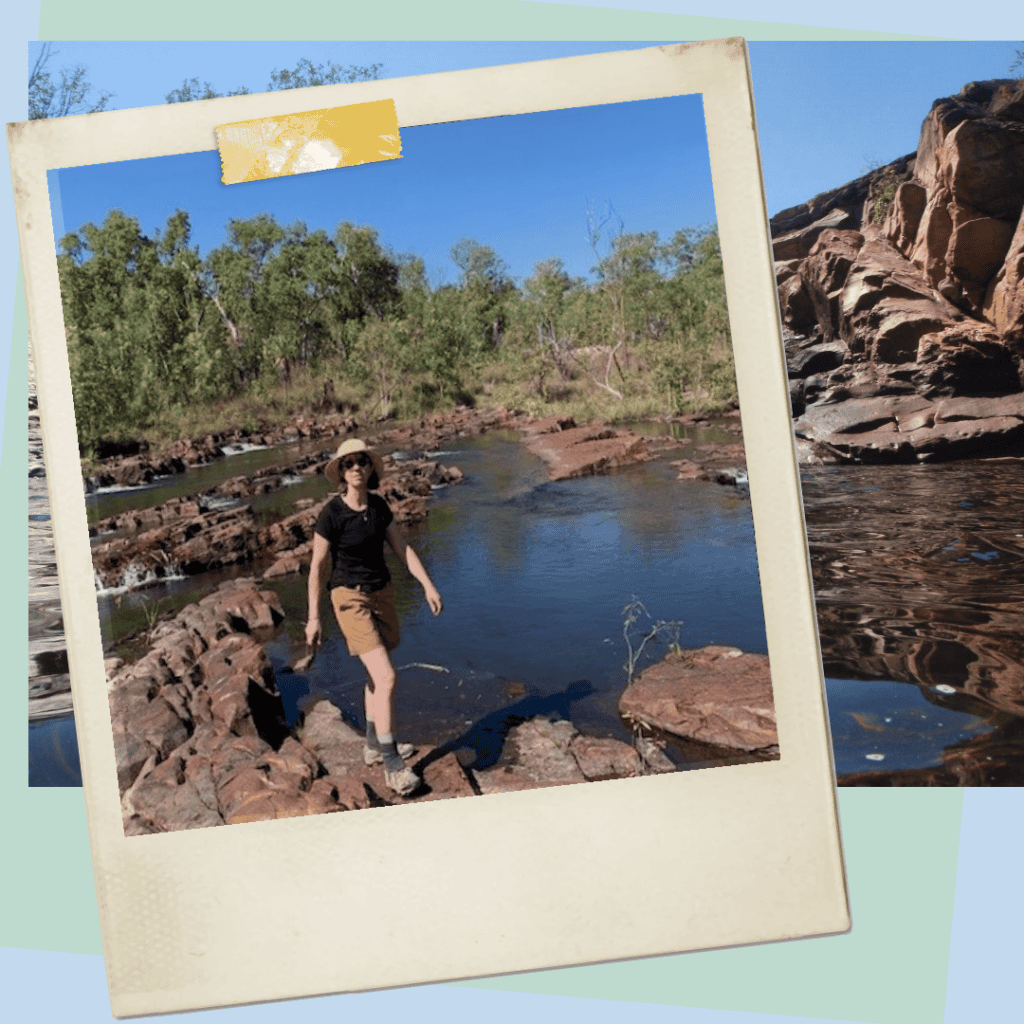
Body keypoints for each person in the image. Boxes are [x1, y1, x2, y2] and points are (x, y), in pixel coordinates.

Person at [305, 438, 443, 797]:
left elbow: (402, 548)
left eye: (361, 462)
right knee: (386, 676)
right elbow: (317, 567)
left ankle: (372, 745)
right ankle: (393, 767)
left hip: (382, 593)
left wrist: (427, 584)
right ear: (340, 471)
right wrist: (313, 617)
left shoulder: (379, 507)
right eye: (348, 463)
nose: (355, 468)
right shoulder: (331, 514)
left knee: (375, 675)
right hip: (348, 597)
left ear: (369, 468)